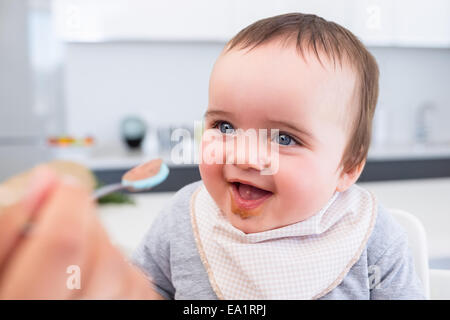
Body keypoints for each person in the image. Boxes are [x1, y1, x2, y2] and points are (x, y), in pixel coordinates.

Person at [0, 13, 425, 299]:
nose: (244, 154)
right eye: (224, 127)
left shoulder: (372, 239)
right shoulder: (184, 218)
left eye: (285, 138)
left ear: (348, 167)